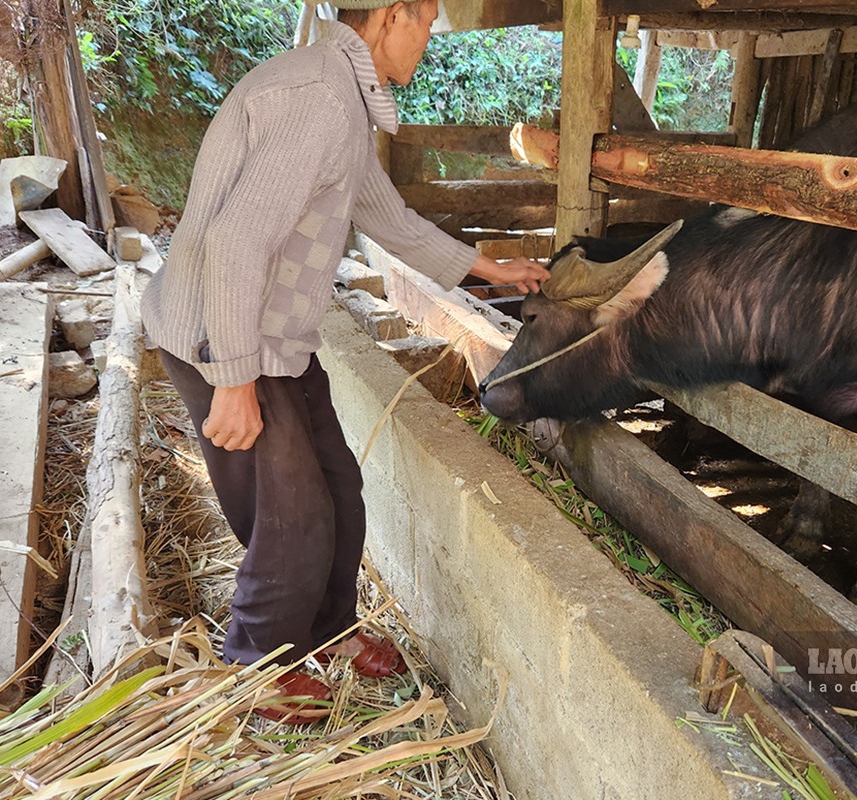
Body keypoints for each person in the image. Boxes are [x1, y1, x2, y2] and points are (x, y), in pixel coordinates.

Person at [141, 0, 550, 722]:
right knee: (292, 514)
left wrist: (489, 268)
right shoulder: (322, 100)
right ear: (395, 15)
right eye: (429, 22)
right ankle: (261, 665)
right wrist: (232, 380)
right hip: (227, 337)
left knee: (339, 486)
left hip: (274, 336)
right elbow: (236, 245)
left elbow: (385, 216)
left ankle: (326, 632)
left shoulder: (341, 93)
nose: (430, 38)